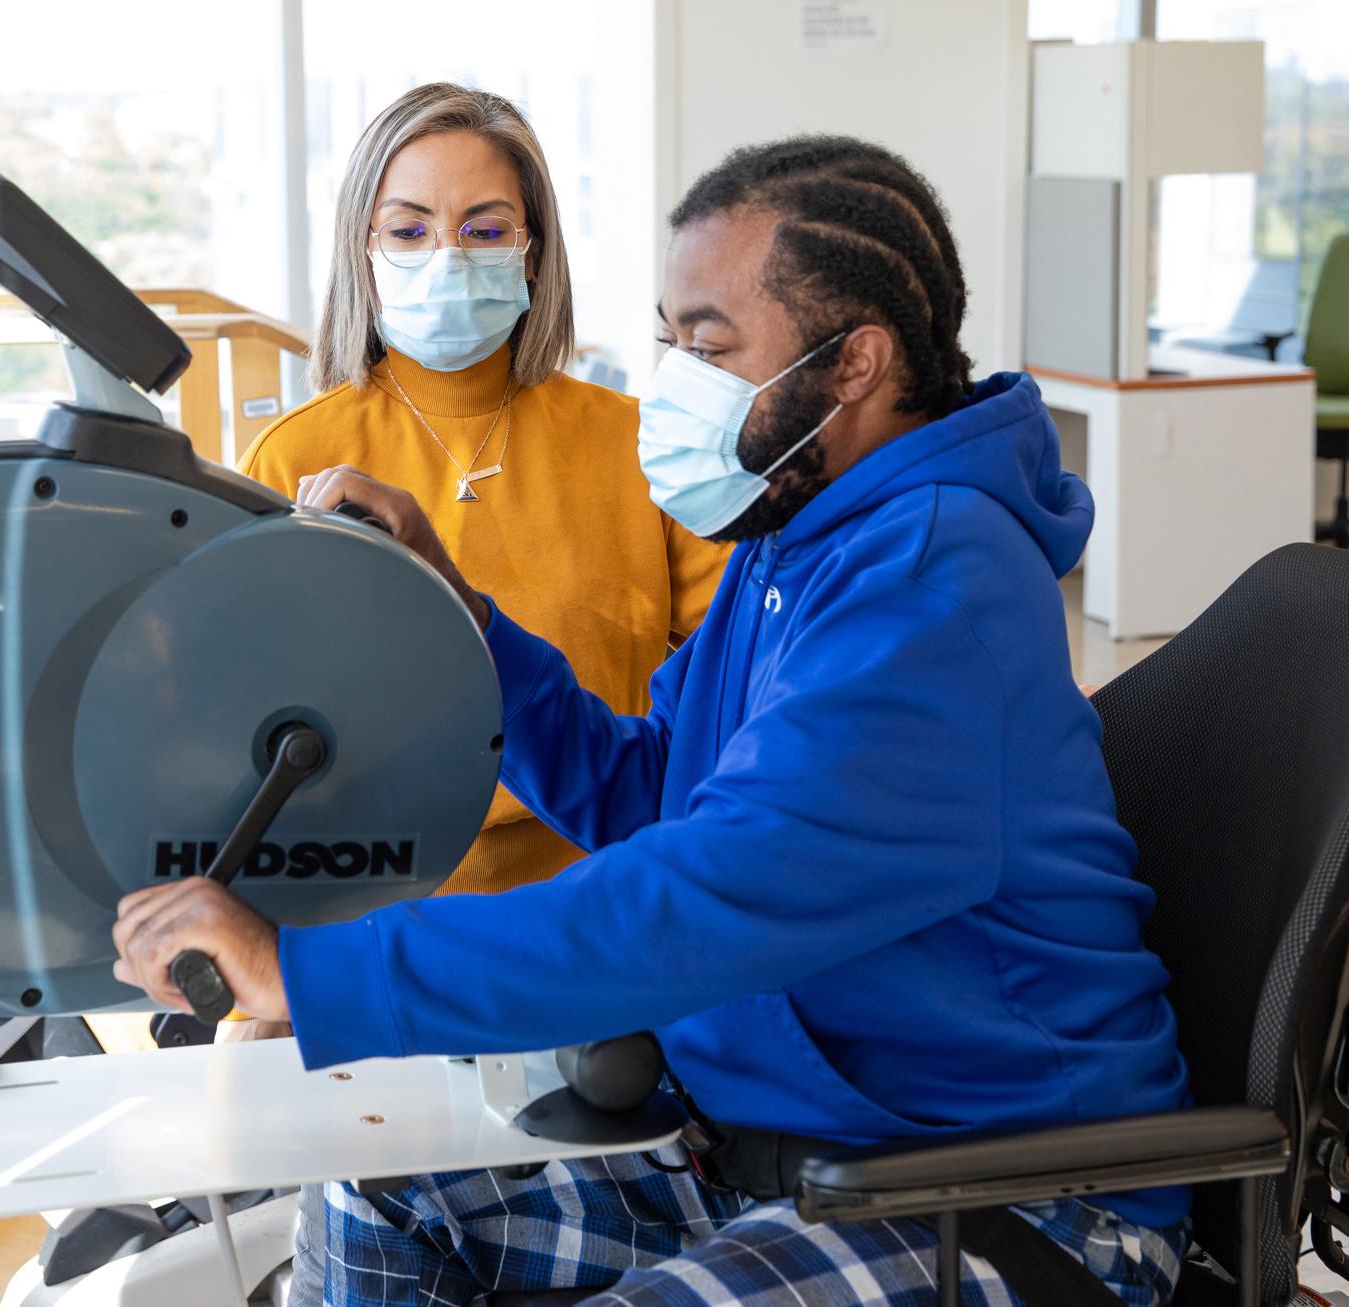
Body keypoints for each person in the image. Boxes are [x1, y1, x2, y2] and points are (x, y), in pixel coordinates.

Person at [111, 135, 1193, 1307]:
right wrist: (456, 614)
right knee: (377, 1186)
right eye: (669, 340)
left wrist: (298, 970)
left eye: (709, 344)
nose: (676, 375)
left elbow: (700, 897)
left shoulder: (932, 583)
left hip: (1000, 1198)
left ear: (855, 363)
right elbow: (645, 787)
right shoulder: (797, 539)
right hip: (779, 1156)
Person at [238, 82, 728, 900]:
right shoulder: (297, 455)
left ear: (532, 250)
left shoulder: (645, 445)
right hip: (374, 909)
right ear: (364, 249)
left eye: (485, 229)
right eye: (409, 229)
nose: (448, 256)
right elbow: (244, 732)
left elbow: (737, 686)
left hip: (606, 895)